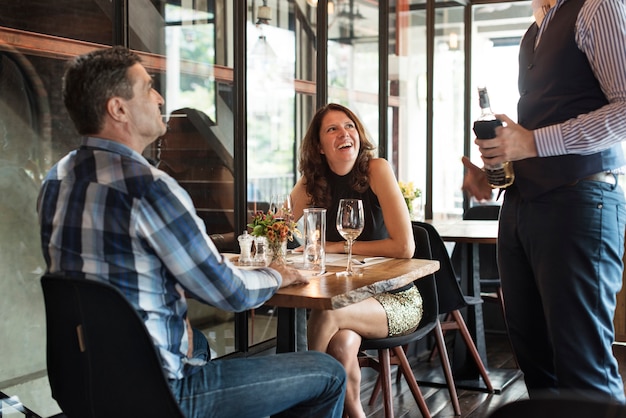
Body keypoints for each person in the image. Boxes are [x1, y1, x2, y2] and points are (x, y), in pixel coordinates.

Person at [37, 46, 346, 418]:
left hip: (82, 386)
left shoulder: (56, 180)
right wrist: (275, 275)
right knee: (328, 372)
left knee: (196, 342)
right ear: (118, 109)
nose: (159, 97)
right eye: (148, 87)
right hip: (161, 393)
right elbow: (227, 291)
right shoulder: (149, 188)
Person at [462, 0, 626, 401]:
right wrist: (497, 167)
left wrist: (533, 142)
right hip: (521, 206)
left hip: (580, 200)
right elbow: (536, 134)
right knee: (534, 359)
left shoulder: (597, 6)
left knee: (581, 367)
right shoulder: (533, 32)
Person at [290, 103, 421, 417]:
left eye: (349, 125)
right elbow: (279, 224)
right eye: (331, 129)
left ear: (358, 134)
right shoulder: (314, 181)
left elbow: (405, 247)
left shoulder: (376, 169)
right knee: (342, 345)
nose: (343, 133)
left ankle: (301, 403)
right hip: (351, 299)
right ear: (320, 147)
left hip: (396, 298)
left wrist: (334, 246)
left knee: (325, 316)